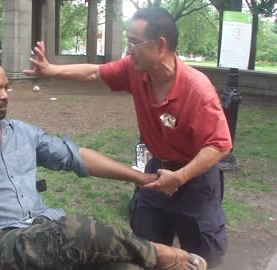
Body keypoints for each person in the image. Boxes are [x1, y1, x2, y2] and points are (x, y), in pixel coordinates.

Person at [0, 57, 207, 270]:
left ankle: (150, 257)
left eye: (7, 88)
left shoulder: (22, 133)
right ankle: (164, 254)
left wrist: (139, 178)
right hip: (5, 245)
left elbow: (75, 157)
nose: (5, 95)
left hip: (48, 232)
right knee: (72, 230)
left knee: (125, 266)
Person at [23, 7, 231, 268]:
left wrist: (180, 177)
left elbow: (219, 145)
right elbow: (95, 73)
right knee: (145, 249)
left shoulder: (197, 90)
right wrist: (51, 70)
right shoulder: (136, 70)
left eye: (134, 42)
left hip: (195, 179)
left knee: (204, 253)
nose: (128, 50)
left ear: (160, 45)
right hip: (157, 172)